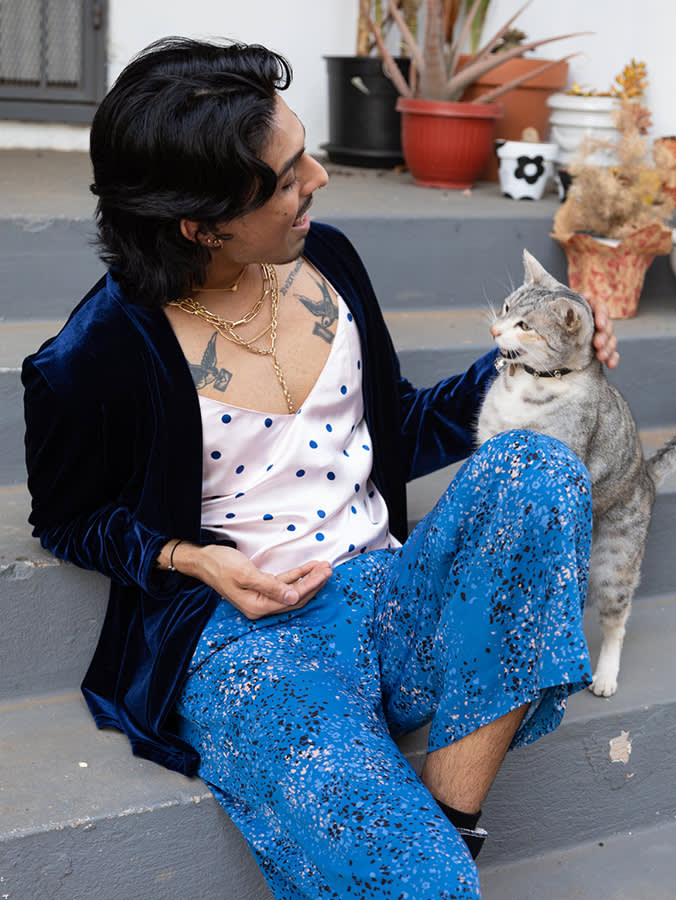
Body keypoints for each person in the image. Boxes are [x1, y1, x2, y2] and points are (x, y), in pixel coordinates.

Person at [22, 37, 619, 900]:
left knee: (542, 467)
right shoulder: (95, 354)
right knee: (422, 888)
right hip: (253, 648)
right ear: (203, 224)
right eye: (291, 172)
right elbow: (68, 519)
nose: (321, 177)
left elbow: (396, 430)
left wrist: (536, 370)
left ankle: (450, 820)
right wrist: (192, 559)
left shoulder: (327, 259)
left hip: (391, 591)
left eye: (303, 149)